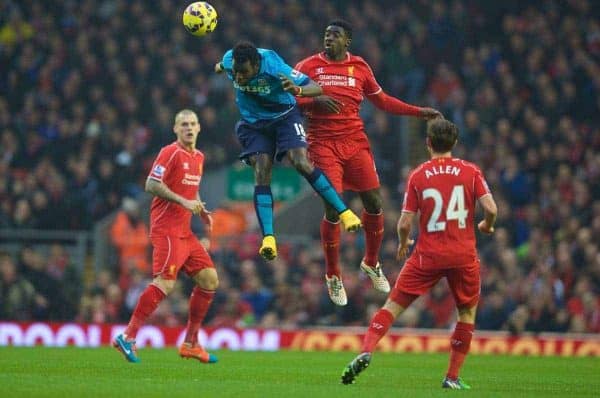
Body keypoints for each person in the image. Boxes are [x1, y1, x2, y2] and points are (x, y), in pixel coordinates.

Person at [294, 20, 443, 305]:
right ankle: (333, 274)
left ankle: (371, 262)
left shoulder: (360, 67)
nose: (329, 38)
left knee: (374, 202)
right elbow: (290, 99)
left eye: (335, 35)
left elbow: (383, 101)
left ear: (347, 41)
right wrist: (315, 102)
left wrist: (418, 112)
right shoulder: (307, 67)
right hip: (322, 144)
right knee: (334, 205)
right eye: (326, 34)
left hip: (355, 143)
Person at [341, 119, 497, 389]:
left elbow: (404, 223)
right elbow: (491, 209)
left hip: (428, 255)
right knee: (466, 314)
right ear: (455, 143)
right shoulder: (471, 171)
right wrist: (487, 225)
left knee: (392, 306)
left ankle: (367, 348)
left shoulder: (418, 175)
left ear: (428, 143)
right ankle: (452, 377)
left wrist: (403, 243)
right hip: (463, 254)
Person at [215, 41, 361, 261]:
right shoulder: (231, 60)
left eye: (243, 73)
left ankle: (344, 212)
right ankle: (269, 238)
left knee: (300, 162)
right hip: (253, 124)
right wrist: (221, 67)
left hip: (284, 118)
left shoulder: (275, 66)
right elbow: (222, 66)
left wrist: (297, 90)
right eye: (235, 72)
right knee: (262, 169)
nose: (238, 77)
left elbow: (316, 87)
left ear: (256, 65)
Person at [113, 109, 218, 364]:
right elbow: (151, 184)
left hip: (185, 231)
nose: (189, 128)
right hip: (167, 230)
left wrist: (200, 209)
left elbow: (190, 189)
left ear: (199, 127)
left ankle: (191, 342)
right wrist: (184, 201)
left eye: (193, 124)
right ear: (175, 129)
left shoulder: (199, 157)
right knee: (166, 283)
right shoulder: (170, 152)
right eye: (183, 124)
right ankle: (127, 337)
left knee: (209, 279)